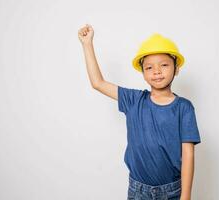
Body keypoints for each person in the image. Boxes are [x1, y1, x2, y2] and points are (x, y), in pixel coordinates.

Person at [78, 24, 201, 200]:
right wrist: (87, 44)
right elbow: (98, 83)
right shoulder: (133, 100)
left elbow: (188, 153)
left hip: (172, 192)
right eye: (149, 67)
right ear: (143, 73)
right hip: (138, 191)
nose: (157, 71)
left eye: (164, 65)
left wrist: (186, 196)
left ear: (176, 68)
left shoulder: (184, 107)